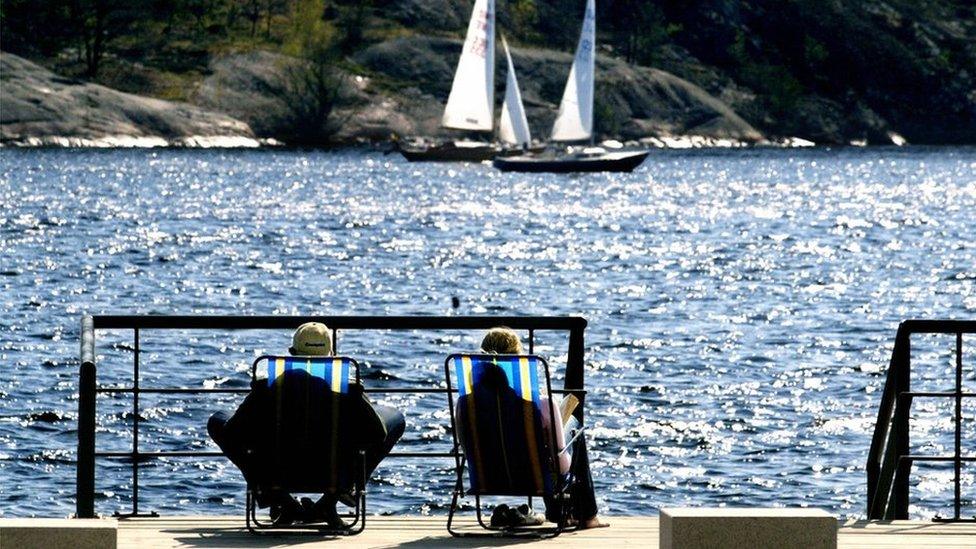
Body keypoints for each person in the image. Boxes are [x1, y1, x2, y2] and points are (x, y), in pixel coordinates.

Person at [208, 322, 405, 527]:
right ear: (331, 353)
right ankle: (339, 494)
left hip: (279, 469)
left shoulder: (269, 390)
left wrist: (256, 397)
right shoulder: (347, 394)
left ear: (291, 352)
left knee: (218, 421)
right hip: (332, 470)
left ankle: (277, 497)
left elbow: (233, 432)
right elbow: (377, 434)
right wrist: (359, 398)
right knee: (394, 419)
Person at [475, 327, 607, 529]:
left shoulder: (466, 405)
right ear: (518, 362)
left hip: (487, 475)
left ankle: (566, 513)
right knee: (574, 428)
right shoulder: (541, 405)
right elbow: (562, 464)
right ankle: (585, 516)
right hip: (534, 477)